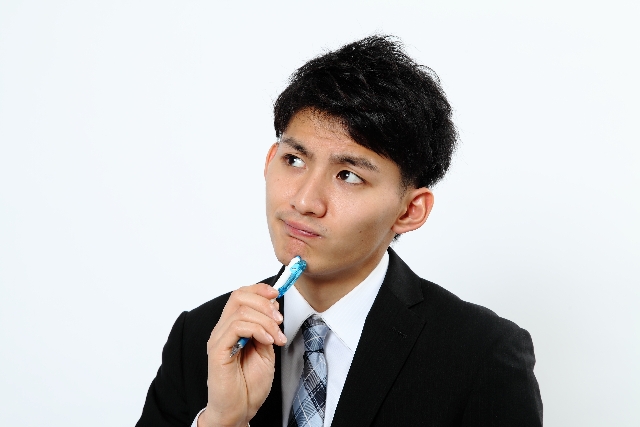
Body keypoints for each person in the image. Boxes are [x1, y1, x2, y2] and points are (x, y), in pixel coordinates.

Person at [136, 35, 543, 427]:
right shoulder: (202, 337)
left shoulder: (480, 354)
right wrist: (223, 421)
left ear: (409, 210)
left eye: (348, 175)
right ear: (269, 160)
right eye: (294, 160)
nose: (304, 201)